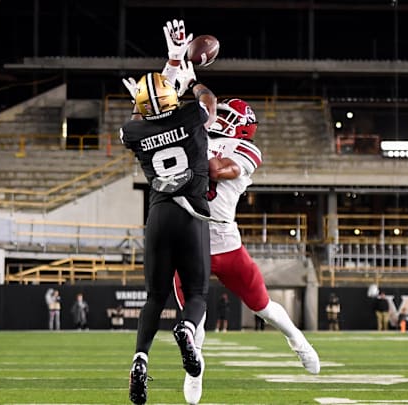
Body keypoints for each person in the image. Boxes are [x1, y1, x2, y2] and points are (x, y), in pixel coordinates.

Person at [173, 98, 320, 404]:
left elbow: (218, 170)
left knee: (263, 306)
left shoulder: (246, 150)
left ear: (241, 125)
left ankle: (297, 340)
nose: (217, 118)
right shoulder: (198, 136)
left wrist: (194, 136)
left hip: (226, 243)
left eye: (226, 115)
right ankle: (194, 372)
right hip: (188, 240)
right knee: (192, 322)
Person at [120, 19, 217, 405]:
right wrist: (189, 74)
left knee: (154, 297)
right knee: (196, 292)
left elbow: (149, 109)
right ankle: (187, 330)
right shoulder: (191, 116)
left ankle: (140, 359)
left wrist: (172, 62)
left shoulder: (133, 132)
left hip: (158, 215)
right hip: (192, 211)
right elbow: (207, 105)